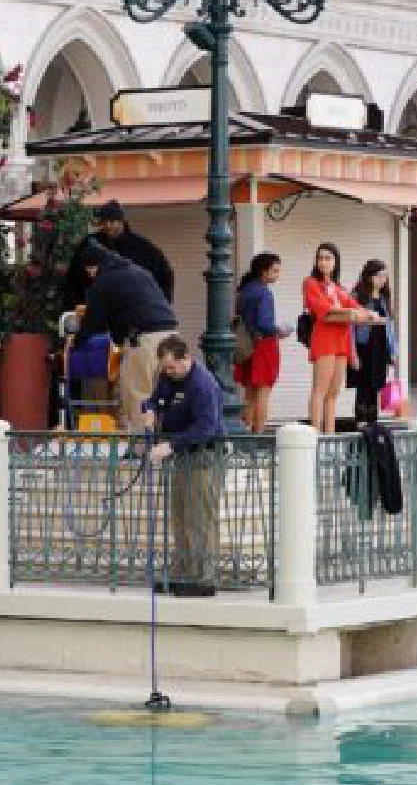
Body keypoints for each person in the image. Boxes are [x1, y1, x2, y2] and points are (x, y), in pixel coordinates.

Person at [144, 332, 225, 596]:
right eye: (165, 367)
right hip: (181, 457)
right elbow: (155, 398)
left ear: (186, 358)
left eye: (172, 367)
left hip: (203, 457)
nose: (168, 372)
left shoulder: (203, 385)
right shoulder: (168, 377)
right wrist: (149, 409)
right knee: (179, 516)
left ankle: (204, 577)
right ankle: (182, 571)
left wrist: (171, 445)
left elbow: (206, 427)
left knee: (199, 517)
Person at [77, 246, 178, 432]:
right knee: (164, 394)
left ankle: (140, 445)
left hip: (144, 340)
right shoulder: (139, 272)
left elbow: (93, 323)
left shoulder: (104, 281)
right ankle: (165, 441)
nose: (89, 276)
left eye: (88, 271)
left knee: (137, 396)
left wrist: (75, 343)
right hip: (172, 337)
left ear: (92, 267)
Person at [303, 241, 370, 433]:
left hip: (341, 340)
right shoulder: (311, 283)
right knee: (320, 390)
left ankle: (330, 435)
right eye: (320, 258)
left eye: (328, 258)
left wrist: (366, 313)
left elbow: (353, 305)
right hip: (324, 340)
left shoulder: (338, 287)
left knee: (333, 393)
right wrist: (349, 311)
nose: (323, 262)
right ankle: (315, 434)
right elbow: (322, 308)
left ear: (336, 262)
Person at [233, 252, 283, 432]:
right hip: (264, 345)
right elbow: (265, 324)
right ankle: (259, 433)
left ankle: (246, 429)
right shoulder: (264, 293)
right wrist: (280, 330)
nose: (278, 275)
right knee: (263, 390)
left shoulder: (244, 291)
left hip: (247, 344)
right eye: (275, 271)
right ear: (264, 271)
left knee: (250, 391)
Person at [348, 258, 400, 426]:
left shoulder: (384, 298)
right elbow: (350, 328)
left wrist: (393, 352)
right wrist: (352, 353)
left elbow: (389, 326)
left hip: (380, 348)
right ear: (369, 276)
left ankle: (373, 426)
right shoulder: (358, 296)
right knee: (363, 388)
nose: (383, 279)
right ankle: (361, 426)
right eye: (379, 276)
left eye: (385, 276)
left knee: (375, 388)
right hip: (363, 348)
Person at [92, 200, 176, 305]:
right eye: (104, 222)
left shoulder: (142, 247)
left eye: (112, 221)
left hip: (137, 305)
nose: (108, 226)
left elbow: (165, 274)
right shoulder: (95, 245)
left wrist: (162, 304)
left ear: (122, 222)